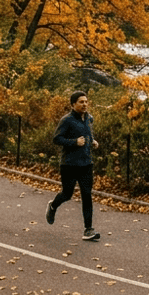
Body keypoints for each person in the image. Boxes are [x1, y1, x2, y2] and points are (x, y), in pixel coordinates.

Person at [45, 91, 100, 241]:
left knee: (87, 195)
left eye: (86, 102)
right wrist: (74, 142)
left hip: (86, 164)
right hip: (69, 164)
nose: (85, 104)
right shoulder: (67, 120)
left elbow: (88, 133)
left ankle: (88, 230)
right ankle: (53, 205)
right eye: (81, 102)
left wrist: (92, 141)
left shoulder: (89, 118)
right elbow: (57, 139)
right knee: (67, 194)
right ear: (73, 104)